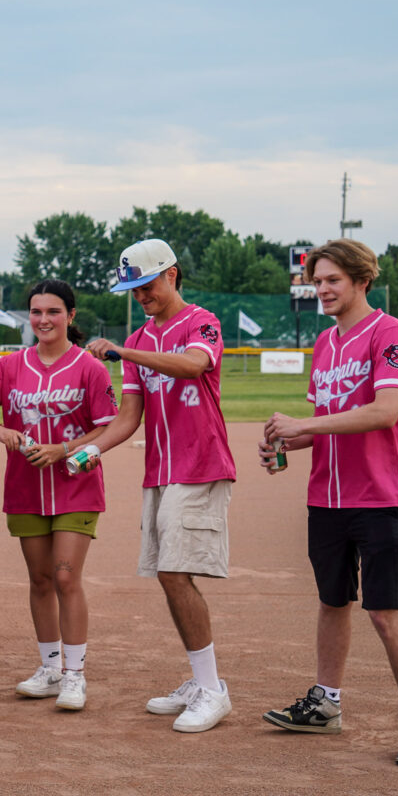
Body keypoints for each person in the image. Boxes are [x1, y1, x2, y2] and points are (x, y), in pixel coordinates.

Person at [259, 239, 398, 766]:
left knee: (384, 613)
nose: (321, 290)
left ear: (362, 280)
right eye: (316, 281)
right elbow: (327, 425)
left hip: (379, 496)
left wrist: (305, 424)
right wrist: (286, 442)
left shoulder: (391, 335)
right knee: (331, 601)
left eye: (332, 280)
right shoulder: (325, 345)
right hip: (327, 497)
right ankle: (325, 704)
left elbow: (385, 411)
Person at [86, 239, 236, 732]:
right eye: (132, 290)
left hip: (201, 465)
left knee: (175, 573)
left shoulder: (201, 321)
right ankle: (201, 680)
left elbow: (194, 365)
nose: (140, 297)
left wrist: (123, 350)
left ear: (171, 275)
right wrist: (91, 450)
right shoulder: (137, 339)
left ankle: (212, 690)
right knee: (169, 575)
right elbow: (130, 417)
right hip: (161, 472)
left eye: (145, 286)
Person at [0, 281, 118, 713]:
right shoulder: (9, 366)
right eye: (36, 312)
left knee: (66, 577)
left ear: (71, 316)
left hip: (76, 485)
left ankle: (75, 675)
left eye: (53, 311)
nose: (43, 320)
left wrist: (64, 449)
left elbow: (107, 426)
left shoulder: (90, 368)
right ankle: (50, 668)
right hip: (25, 487)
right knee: (40, 581)